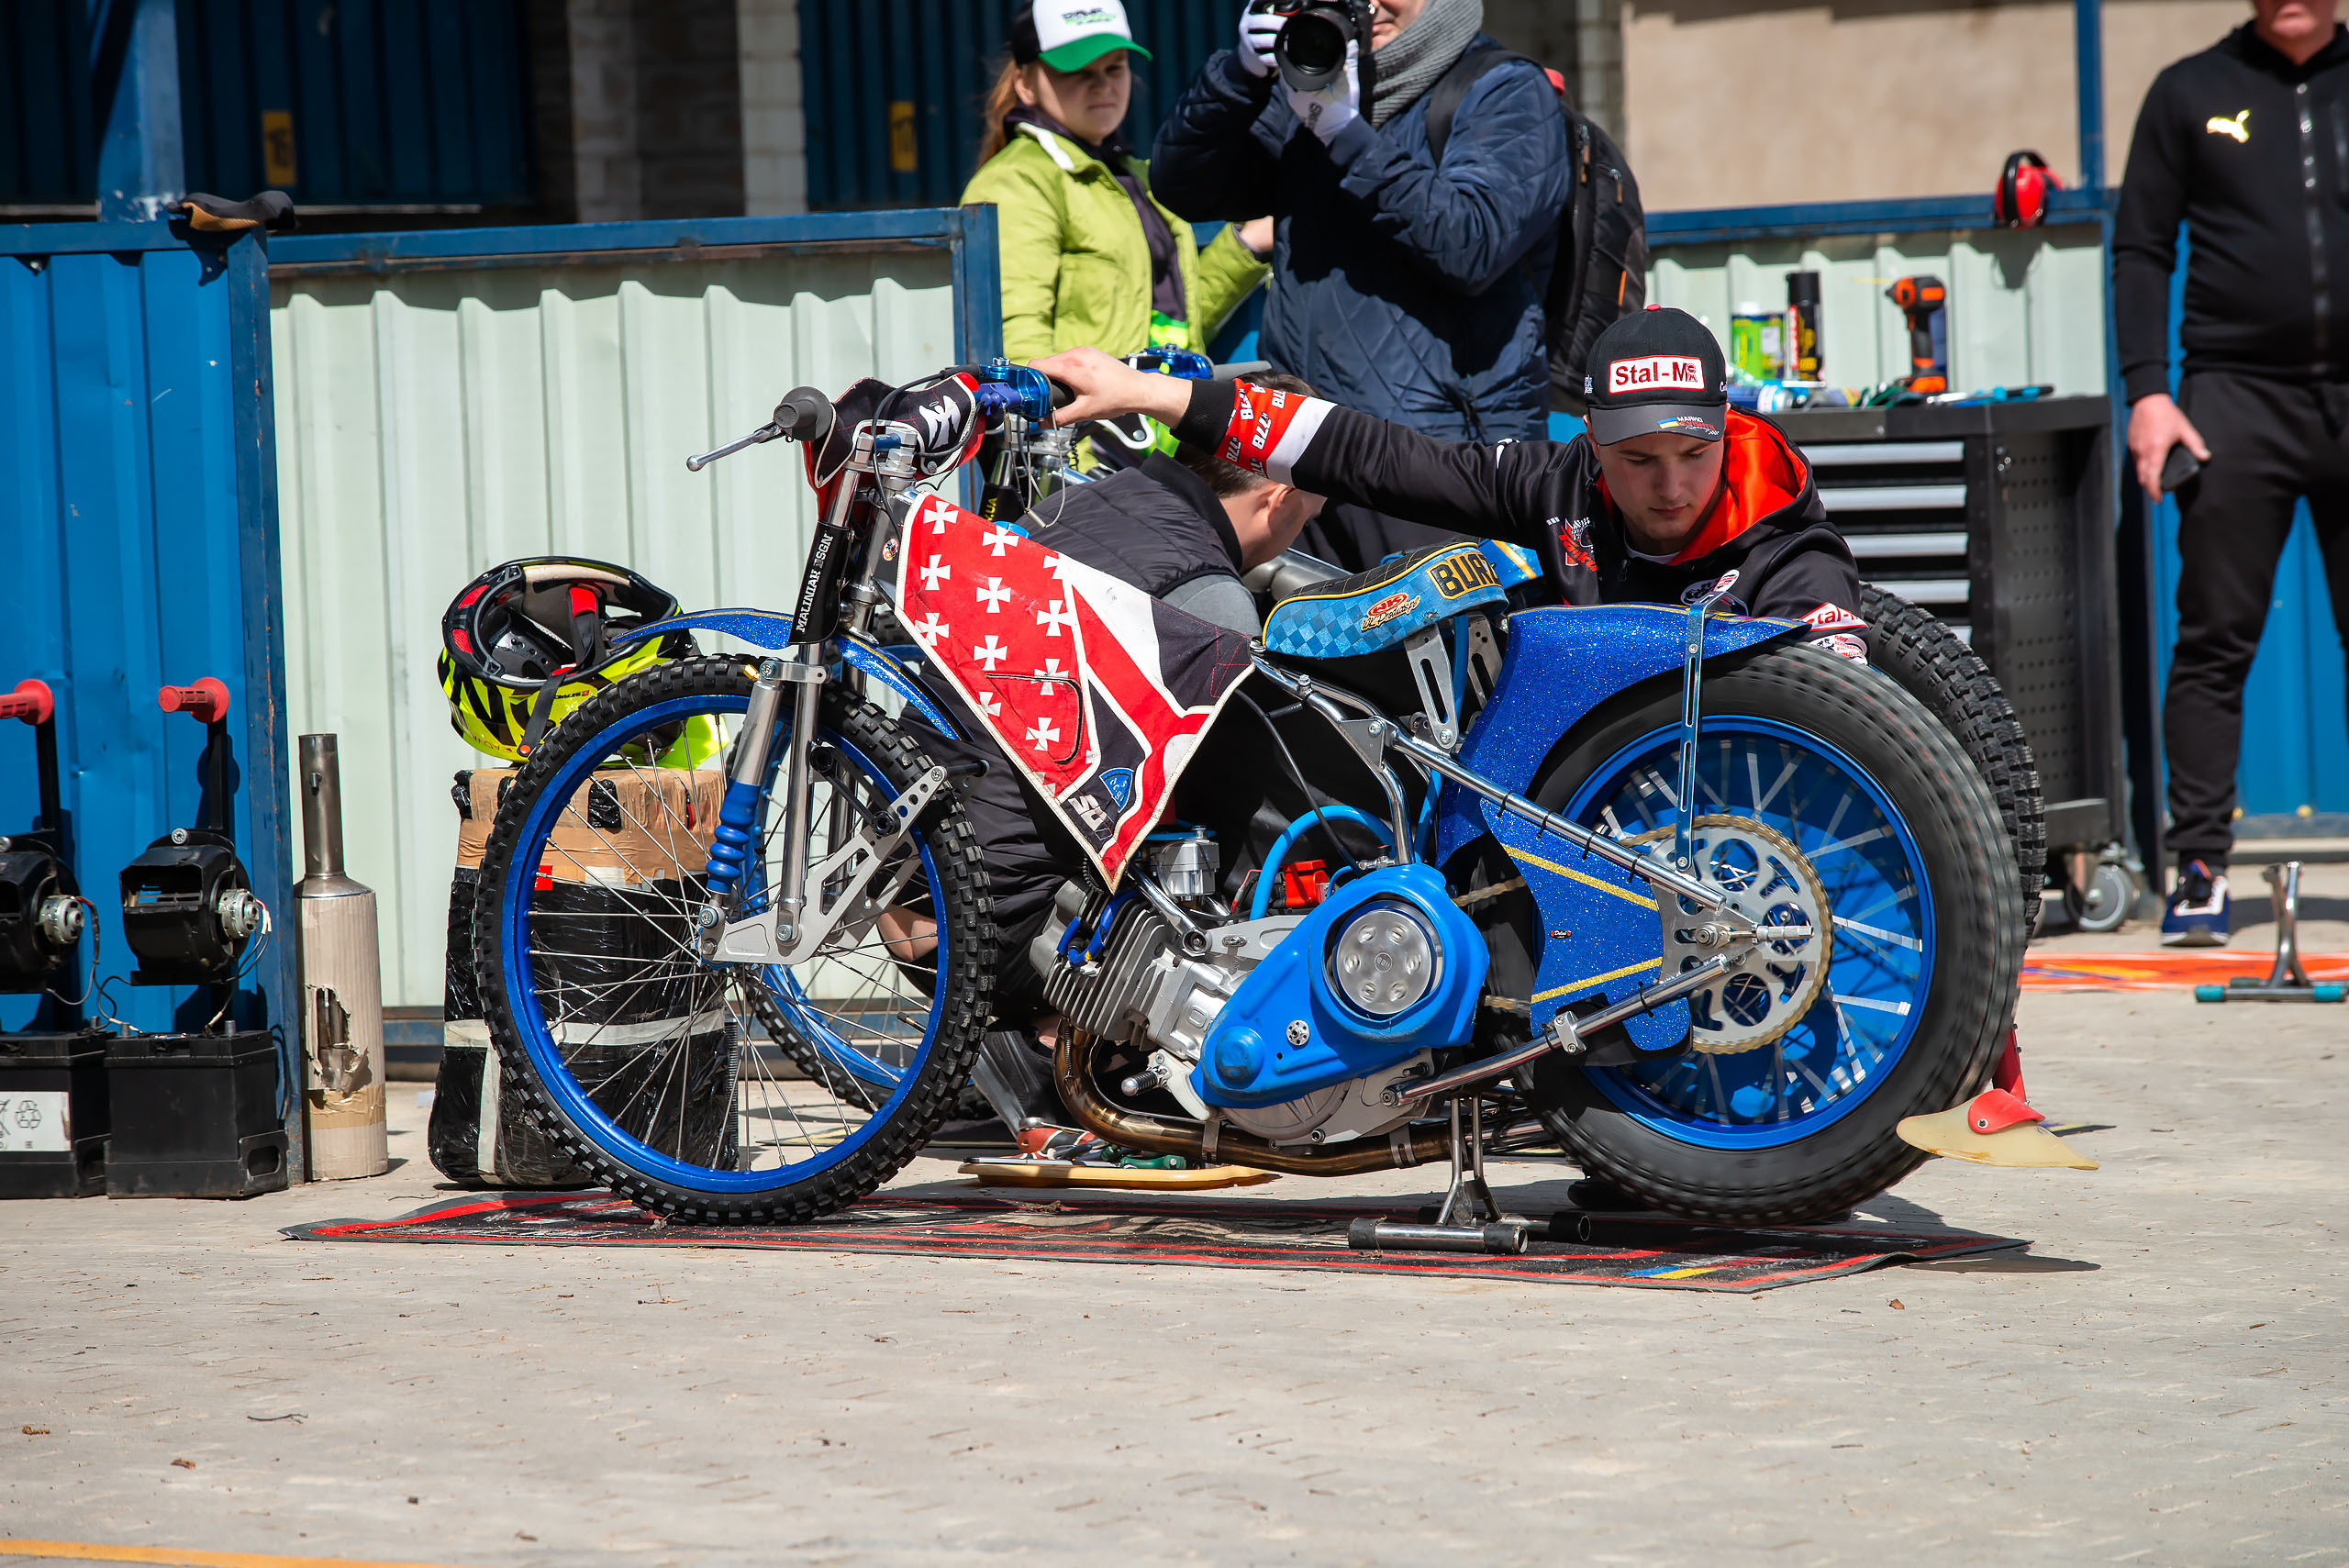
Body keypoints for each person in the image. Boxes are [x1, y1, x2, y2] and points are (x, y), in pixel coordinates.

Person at [903, 373, 1330, 1147]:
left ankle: (1018, 1040)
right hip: (998, 921)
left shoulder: (1080, 499)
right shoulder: (1208, 600)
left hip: (904, 887)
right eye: (1310, 515)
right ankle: (1050, 1055)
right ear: (1275, 499)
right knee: (1244, 875)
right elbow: (1236, 819)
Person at [1035, 306, 1870, 644]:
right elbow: (1372, 455)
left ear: (1726, 430)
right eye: (1638, 462)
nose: (1672, 489)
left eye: (1694, 455)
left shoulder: (1790, 547)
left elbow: (1854, 734)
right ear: (1592, 441)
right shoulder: (1558, 483)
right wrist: (1148, 392)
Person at [2115, 0, 2349, 946]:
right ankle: (2201, 864)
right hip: (2232, 401)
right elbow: (2139, 246)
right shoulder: (2190, 91)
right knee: (2214, 641)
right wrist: (2147, 391)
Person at [1152, 0, 1573, 445]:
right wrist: (1238, 78)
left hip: (1445, 453)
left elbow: (1472, 247)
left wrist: (1345, 135)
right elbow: (1184, 188)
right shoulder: (1306, 91)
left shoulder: (1503, 87)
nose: (1369, 5)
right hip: (1302, 438)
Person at [960, 0, 1269, 375]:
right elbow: (1019, 350)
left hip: (1157, 426)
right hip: (1088, 432)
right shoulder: (1017, 181)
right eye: (1078, 71)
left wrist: (1247, 244)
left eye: (1114, 67)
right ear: (1025, 83)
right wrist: (1055, 428)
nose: (1102, 85)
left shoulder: (1134, 178)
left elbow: (1171, 324)